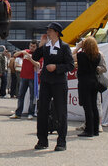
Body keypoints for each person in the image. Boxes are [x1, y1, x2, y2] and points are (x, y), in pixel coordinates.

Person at [32, 22, 75, 152]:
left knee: (60, 112)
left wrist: (57, 67)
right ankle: (42, 140)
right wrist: (41, 44)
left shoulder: (64, 47)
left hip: (59, 83)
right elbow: (35, 57)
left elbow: (70, 65)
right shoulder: (46, 46)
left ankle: (61, 141)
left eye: (50, 31)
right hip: (45, 82)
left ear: (56, 32)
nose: (48, 33)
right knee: (42, 111)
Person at [73, 37, 101, 137]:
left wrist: (78, 47)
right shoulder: (97, 55)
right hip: (94, 81)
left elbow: (71, 57)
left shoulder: (81, 55)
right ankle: (95, 129)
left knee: (87, 106)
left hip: (84, 82)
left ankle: (89, 130)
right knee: (94, 106)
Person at [10, 40, 39, 119]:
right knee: (20, 95)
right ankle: (18, 113)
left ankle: (31, 113)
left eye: (33, 46)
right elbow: (15, 55)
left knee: (32, 96)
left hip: (33, 77)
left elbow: (38, 65)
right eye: (31, 46)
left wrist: (30, 59)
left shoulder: (38, 54)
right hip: (23, 76)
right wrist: (22, 52)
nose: (31, 48)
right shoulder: (26, 51)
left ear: (36, 47)